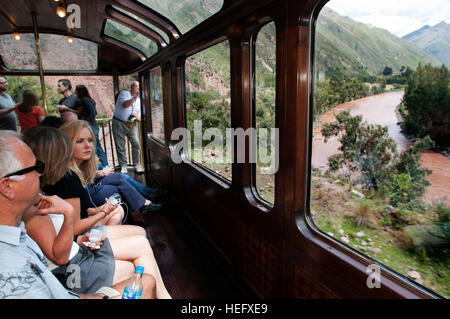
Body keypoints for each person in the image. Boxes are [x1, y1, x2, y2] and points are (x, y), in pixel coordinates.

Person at [0, 130, 156, 299]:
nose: (40, 173)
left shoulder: (18, 231)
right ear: (7, 187)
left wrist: (79, 238)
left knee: (143, 268)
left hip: (75, 255)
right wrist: (73, 213)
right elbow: (59, 257)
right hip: (74, 264)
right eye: (35, 168)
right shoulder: (12, 268)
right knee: (144, 277)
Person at [59, 120, 161, 218]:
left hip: (89, 187)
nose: (87, 145)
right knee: (117, 187)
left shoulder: (79, 164)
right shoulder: (67, 175)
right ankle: (142, 206)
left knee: (119, 177)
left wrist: (101, 173)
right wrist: (102, 173)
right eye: (79, 141)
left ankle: (143, 205)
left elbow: (86, 176)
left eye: (90, 140)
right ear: (67, 144)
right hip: (88, 194)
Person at [112, 81, 144, 174]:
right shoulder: (124, 94)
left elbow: (140, 114)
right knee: (120, 146)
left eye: (139, 87)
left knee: (136, 144)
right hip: (119, 122)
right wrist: (134, 97)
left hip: (131, 124)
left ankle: (137, 165)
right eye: (136, 87)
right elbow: (125, 105)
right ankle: (123, 166)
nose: (138, 89)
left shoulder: (139, 100)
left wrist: (137, 116)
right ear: (132, 87)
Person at [74, 84, 108, 167]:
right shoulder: (87, 100)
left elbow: (93, 113)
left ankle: (98, 167)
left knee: (94, 148)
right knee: (97, 147)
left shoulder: (85, 100)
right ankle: (105, 165)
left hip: (91, 126)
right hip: (92, 125)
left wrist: (85, 123)